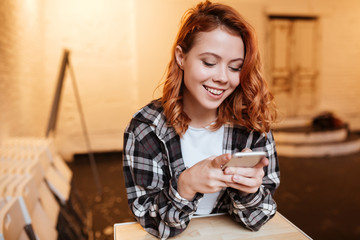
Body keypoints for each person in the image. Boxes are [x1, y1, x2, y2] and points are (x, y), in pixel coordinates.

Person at [122, 1, 280, 238]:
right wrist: (185, 186)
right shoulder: (146, 128)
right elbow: (152, 223)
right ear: (181, 58)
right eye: (209, 63)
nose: (222, 78)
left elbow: (259, 219)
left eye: (235, 67)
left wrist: (249, 192)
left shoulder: (252, 126)